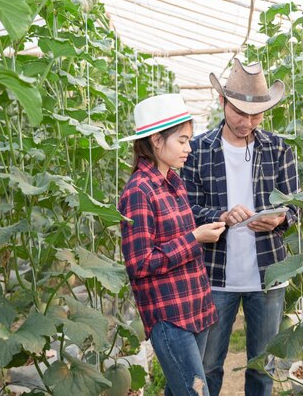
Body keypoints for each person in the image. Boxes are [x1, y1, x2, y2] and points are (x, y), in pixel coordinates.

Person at [181, 59, 299, 396]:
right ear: (222, 102)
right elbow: (186, 207)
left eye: (256, 115)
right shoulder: (198, 150)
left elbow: (294, 206)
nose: (247, 122)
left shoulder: (279, 149)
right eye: (239, 113)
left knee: (263, 367)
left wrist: (280, 219)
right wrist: (221, 215)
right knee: (207, 366)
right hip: (215, 275)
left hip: (269, 274)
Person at [118, 93, 226, 396]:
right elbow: (139, 264)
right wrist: (195, 238)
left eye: (189, 140)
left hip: (196, 306)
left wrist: (212, 224)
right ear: (156, 140)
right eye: (182, 141)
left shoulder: (174, 183)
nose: (188, 149)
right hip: (169, 317)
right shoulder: (139, 191)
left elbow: (179, 234)